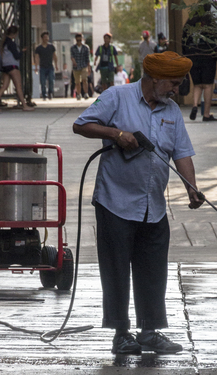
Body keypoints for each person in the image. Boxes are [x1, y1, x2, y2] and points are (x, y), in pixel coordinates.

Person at [72, 51, 203, 356]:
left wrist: (191, 188)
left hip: (153, 204)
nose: (176, 90)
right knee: (116, 268)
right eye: (172, 83)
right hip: (115, 200)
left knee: (153, 268)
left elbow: (181, 152)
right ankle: (120, 333)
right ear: (153, 78)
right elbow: (81, 124)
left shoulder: (172, 111)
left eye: (180, 84)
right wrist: (116, 134)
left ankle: (149, 331)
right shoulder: (118, 96)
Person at [182, 4, 217, 122]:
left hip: (193, 56)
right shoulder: (210, 22)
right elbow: (216, 41)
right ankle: (206, 114)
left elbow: (183, 39)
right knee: (208, 85)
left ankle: (195, 105)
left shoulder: (190, 21)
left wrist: (185, 55)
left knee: (197, 85)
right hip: (208, 56)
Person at [0, 26, 34, 112]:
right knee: (18, 86)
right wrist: (22, 51)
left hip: (5, 66)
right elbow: (17, 56)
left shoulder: (3, 42)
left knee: (4, 86)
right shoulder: (11, 43)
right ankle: (24, 105)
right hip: (13, 66)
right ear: (14, 34)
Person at [34, 31, 58, 100]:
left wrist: (56, 65)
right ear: (42, 38)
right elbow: (36, 57)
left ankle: (50, 93)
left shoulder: (51, 47)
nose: (46, 38)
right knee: (43, 81)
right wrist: (36, 67)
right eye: (45, 37)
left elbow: (54, 56)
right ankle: (44, 94)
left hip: (50, 66)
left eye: (47, 37)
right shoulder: (38, 48)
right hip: (42, 67)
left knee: (51, 80)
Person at [70, 33, 91, 100]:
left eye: (80, 39)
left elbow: (87, 58)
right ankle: (78, 94)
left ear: (82, 39)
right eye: (77, 39)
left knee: (85, 80)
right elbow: (72, 56)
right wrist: (74, 62)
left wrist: (89, 67)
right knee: (77, 82)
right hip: (76, 67)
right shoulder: (73, 48)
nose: (79, 41)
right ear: (76, 39)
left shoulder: (86, 48)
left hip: (84, 65)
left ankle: (86, 93)